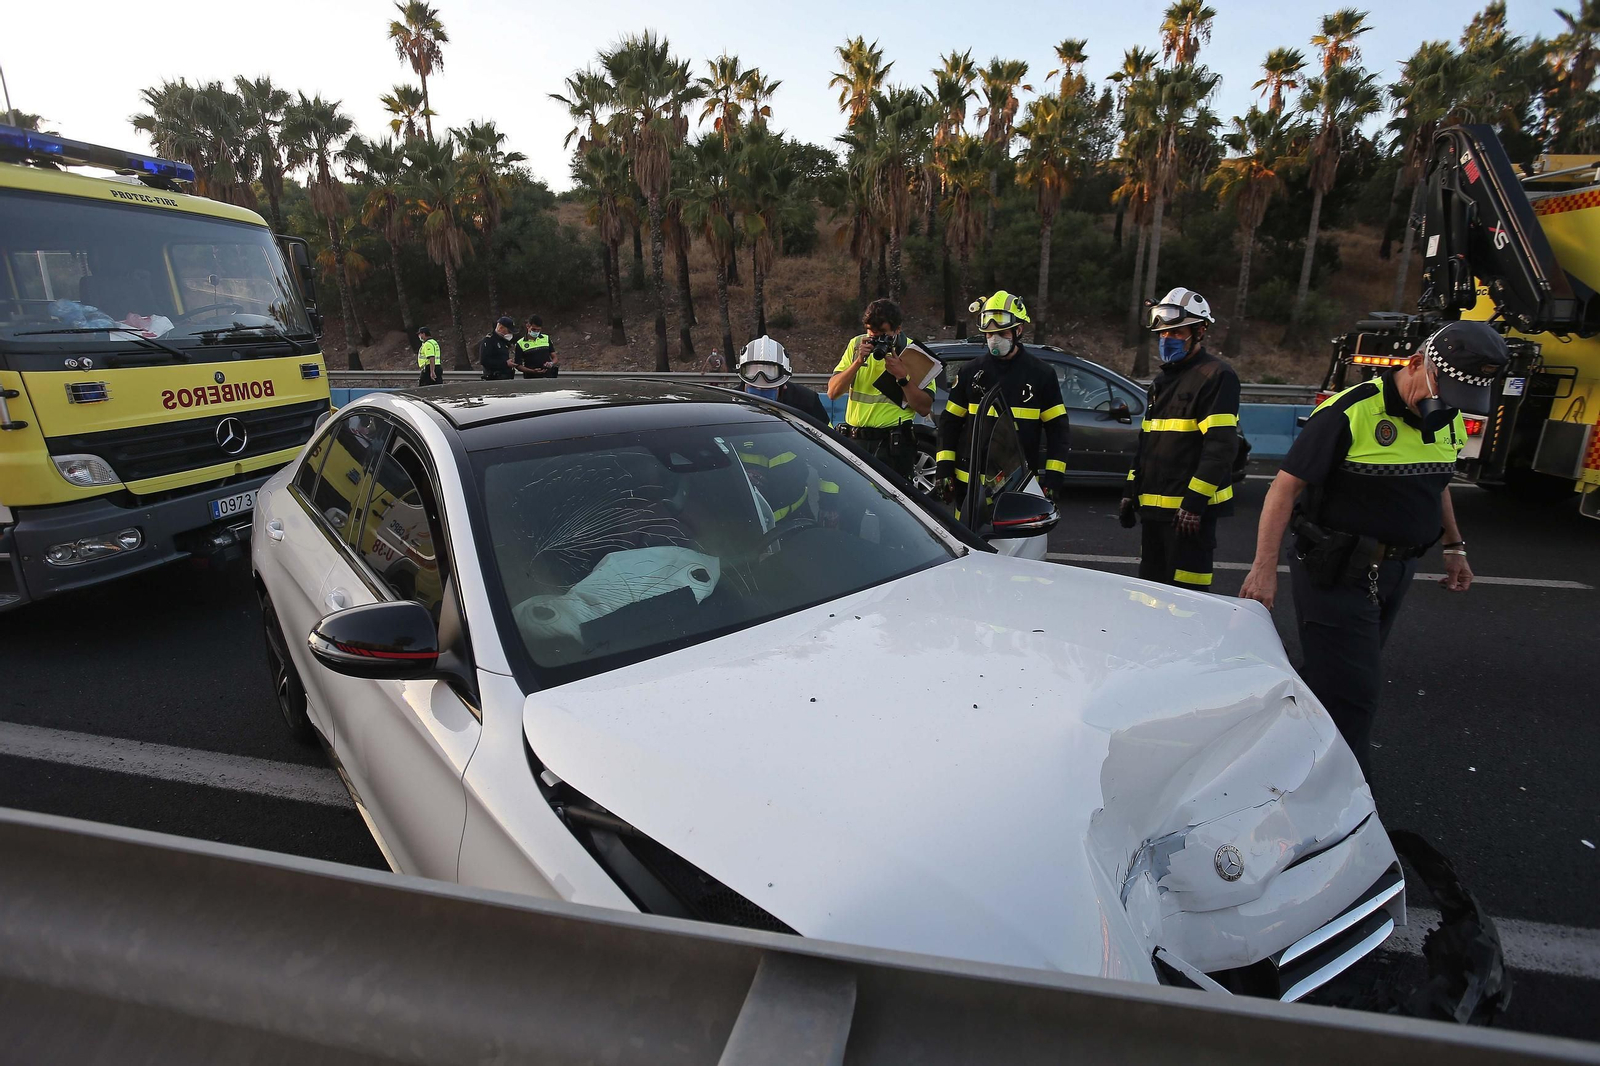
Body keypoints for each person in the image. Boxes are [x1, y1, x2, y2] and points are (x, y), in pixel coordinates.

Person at [1239, 319, 1507, 777]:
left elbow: (1437, 484)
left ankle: (1265, 757)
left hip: (1397, 573)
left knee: (1331, 680)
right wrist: (1263, 569)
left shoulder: (1450, 420)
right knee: (1355, 697)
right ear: (1418, 363)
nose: (1449, 408)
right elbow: (1283, 490)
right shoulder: (1351, 412)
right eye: (1444, 393)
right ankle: (1346, 806)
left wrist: (1454, 546)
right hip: (1335, 569)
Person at [1120, 287, 1241, 592]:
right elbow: (1147, 443)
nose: (1166, 340)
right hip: (1154, 513)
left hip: (1189, 519)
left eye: (1176, 333)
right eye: (1162, 334)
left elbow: (1221, 447)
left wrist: (1194, 504)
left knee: (1189, 600)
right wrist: (1130, 490)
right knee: (1151, 592)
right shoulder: (1162, 381)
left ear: (1199, 331)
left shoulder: (1216, 376)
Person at [933, 291, 1070, 509]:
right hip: (969, 487)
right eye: (989, 334)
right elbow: (949, 424)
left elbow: (1058, 431)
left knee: (1015, 541)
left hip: (1017, 483)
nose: (994, 339)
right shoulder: (971, 372)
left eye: (1002, 333)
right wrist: (944, 469)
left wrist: (1054, 479)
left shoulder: (1041, 375)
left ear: (1018, 330)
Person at [826, 299, 934, 480]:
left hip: (893, 447)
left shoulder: (914, 353)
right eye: (871, 332)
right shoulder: (856, 345)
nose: (876, 339)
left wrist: (903, 378)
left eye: (882, 334)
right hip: (857, 442)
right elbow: (833, 392)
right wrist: (858, 362)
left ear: (897, 329)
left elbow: (924, 408)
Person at [736, 336, 839, 523]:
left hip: (796, 512)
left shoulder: (806, 404)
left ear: (783, 383)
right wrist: (739, 475)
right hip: (746, 515)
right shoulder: (727, 406)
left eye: (769, 389)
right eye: (753, 387)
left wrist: (829, 504)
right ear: (743, 380)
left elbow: (830, 455)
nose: (760, 395)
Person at [737, 335, 829, 428]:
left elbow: (828, 438)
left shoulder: (807, 402)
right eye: (754, 386)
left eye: (768, 388)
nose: (760, 389)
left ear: (783, 385)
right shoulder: (730, 404)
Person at [515, 315, 558, 379]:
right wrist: (532, 371)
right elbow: (518, 365)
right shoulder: (520, 343)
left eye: (538, 330)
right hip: (531, 378)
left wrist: (551, 363)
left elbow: (555, 357)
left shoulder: (546, 338)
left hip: (548, 376)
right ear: (528, 326)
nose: (536, 332)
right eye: (533, 329)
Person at [479, 316, 516, 381]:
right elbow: (484, 361)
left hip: (505, 378)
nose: (510, 334)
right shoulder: (489, 340)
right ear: (501, 328)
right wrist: (505, 363)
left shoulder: (503, 342)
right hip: (494, 378)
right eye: (509, 331)